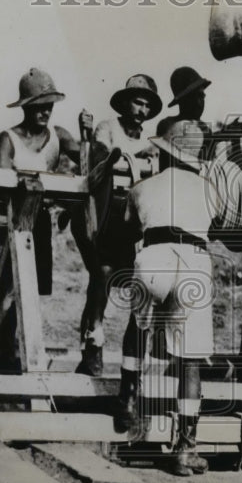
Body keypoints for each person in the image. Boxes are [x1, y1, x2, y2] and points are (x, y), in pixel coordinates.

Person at [115, 119, 242, 476]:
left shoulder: (143, 187)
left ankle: (127, 397)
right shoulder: (209, 189)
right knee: (189, 361)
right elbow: (220, 226)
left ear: (165, 152)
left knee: (137, 326)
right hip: (193, 263)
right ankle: (185, 448)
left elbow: (127, 228)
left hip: (153, 256)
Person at [0, 68, 82, 366]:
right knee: (11, 288)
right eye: (39, 104)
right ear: (26, 105)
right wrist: (34, 189)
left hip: (37, 224)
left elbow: (91, 165)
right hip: (6, 221)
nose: (46, 110)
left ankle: (5, 353)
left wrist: (87, 136)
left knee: (29, 291)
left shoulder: (59, 137)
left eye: (49, 104)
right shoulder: (8, 139)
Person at [72, 74, 161, 375]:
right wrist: (133, 156)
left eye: (148, 105)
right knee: (103, 273)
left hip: (131, 220)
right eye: (138, 102)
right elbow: (99, 158)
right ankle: (93, 344)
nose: (142, 109)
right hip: (101, 215)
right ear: (125, 102)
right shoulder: (108, 128)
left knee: (136, 280)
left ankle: (120, 355)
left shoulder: (152, 142)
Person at [155, 66, 213, 160]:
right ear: (181, 101)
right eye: (192, 97)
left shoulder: (205, 130)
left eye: (201, 97)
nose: (198, 103)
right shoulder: (168, 126)